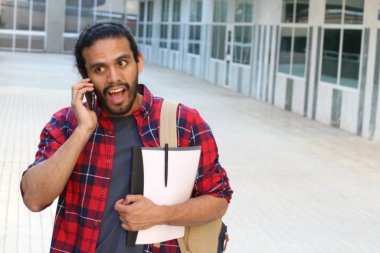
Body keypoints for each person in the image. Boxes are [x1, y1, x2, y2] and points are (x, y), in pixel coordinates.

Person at [20, 21, 233, 253]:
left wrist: (162, 214)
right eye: (99, 69)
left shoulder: (184, 122)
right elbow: (34, 199)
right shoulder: (67, 124)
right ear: (85, 76)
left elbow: (218, 198)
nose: (113, 78)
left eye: (122, 63)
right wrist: (83, 131)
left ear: (138, 62)